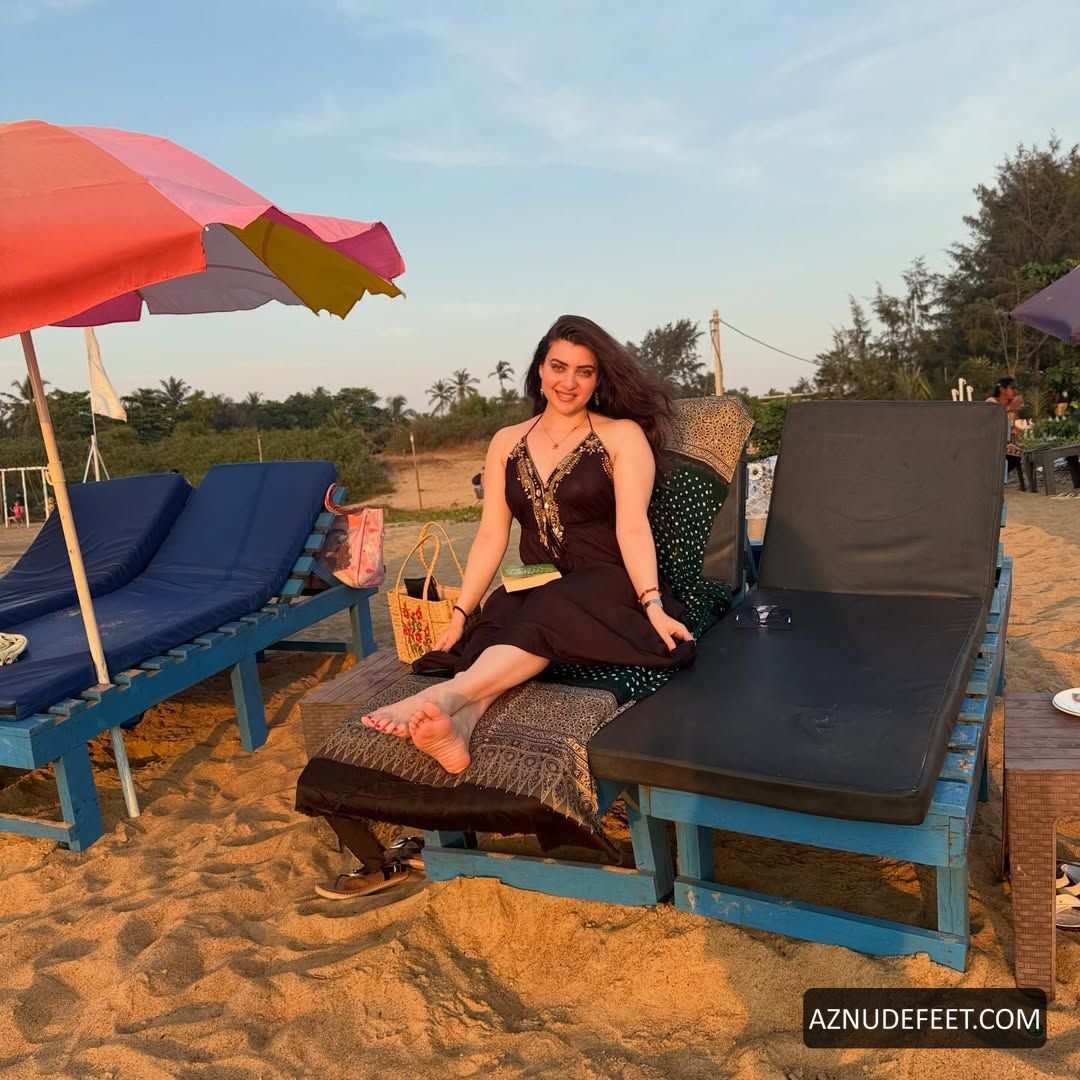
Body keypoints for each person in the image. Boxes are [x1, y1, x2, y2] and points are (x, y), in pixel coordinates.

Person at [360, 314, 696, 775]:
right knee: (502, 624)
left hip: (608, 580)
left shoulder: (621, 436)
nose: (569, 382)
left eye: (584, 371)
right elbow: (491, 534)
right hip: (535, 581)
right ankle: (461, 725)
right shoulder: (506, 441)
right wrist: (460, 613)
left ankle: (446, 696)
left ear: (598, 379)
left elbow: (633, 527)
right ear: (540, 369)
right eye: (559, 367)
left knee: (545, 615)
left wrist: (652, 604)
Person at [986, 376, 1024, 479]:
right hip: (988, 444)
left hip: (1001, 443)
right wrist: (1010, 407)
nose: (1015, 391)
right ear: (1002, 389)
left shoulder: (1008, 407)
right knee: (1012, 456)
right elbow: (994, 419)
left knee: (1017, 455)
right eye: (1012, 388)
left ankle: (998, 479)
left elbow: (1010, 427)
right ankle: (994, 479)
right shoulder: (991, 402)